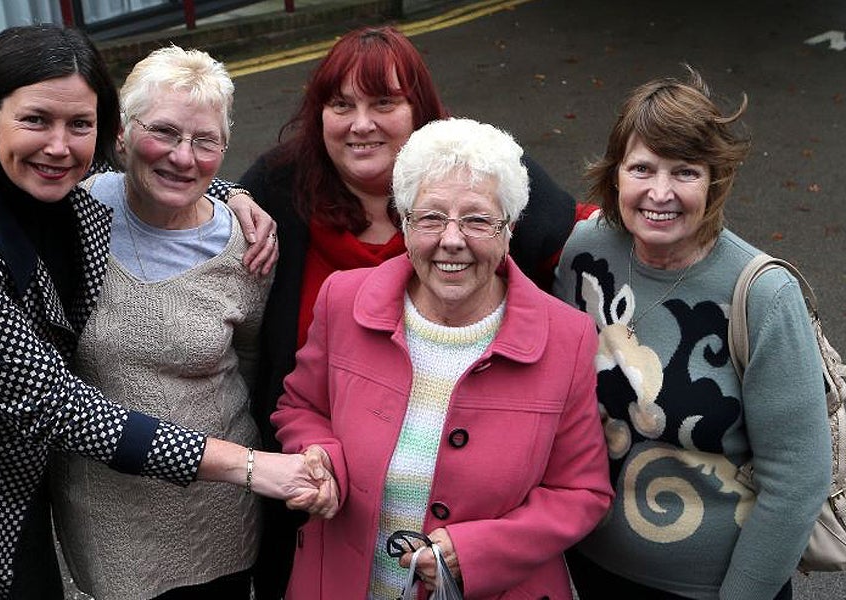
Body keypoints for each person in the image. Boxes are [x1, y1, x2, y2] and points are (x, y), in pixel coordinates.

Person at [0, 25, 332, 600]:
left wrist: (231, 195)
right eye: (36, 119)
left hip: (3, 441)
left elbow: (170, 168)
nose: (59, 145)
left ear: (102, 131)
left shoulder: (41, 170)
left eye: (79, 125)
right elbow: (55, 404)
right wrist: (251, 467)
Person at [239, 25, 579, 598]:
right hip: (312, 488)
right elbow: (198, 189)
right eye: (340, 104)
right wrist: (230, 196)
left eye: (384, 103)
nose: (361, 123)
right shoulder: (281, 182)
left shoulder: (474, 172)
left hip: (466, 512)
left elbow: (577, 230)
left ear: (419, 110)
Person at [552, 66, 831, 600]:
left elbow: (796, 480)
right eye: (642, 168)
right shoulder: (586, 250)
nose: (660, 192)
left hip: (713, 588)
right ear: (615, 176)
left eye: (685, 171)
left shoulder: (764, 295)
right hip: (587, 564)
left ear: (714, 181)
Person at [49, 45, 272, 599]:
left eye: (206, 141)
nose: (183, 157)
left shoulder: (249, 246)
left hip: (222, 511)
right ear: (121, 133)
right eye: (165, 132)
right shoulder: (68, 213)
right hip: (109, 517)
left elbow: (251, 359)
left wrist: (232, 192)